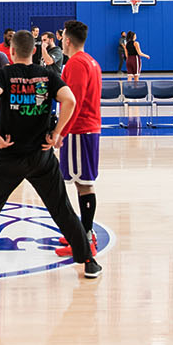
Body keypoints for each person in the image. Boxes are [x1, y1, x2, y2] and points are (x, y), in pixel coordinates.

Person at [0, 29, 101, 282]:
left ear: (12, 51)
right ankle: (89, 262)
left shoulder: (3, 75)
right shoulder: (48, 75)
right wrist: (57, 132)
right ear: (34, 51)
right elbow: (70, 100)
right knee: (62, 209)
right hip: (40, 155)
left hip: (7, 155)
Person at [53, 19, 102, 258]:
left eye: (62, 37)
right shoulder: (92, 61)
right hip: (88, 129)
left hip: (79, 131)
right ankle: (82, 232)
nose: (61, 41)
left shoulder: (75, 64)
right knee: (82, 182)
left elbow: (74, 102)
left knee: (82, 184)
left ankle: (85, 237)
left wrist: (61, 132)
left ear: (68, 40)